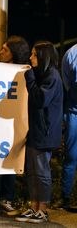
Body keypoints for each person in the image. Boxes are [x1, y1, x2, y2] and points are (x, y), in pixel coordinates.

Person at [15, 41, 63, 223]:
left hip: (45, 133)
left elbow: (39, 99)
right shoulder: (44, 75)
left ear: (43, 56)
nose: (30, 57)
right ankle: (34, 206)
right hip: (36, 131)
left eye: (34, 54)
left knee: (41, 172)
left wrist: (29, 77)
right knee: (33, 172)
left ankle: (43, 209)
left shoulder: (52, 76)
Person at [0, 35, 30, 216]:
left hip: (12, 124)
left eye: (5, 49)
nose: (1, 52)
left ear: (14, 53)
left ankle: (6, 199)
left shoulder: (23, 72)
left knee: (9, 160)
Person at [58, 43, 77, 210]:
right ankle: (65, 197)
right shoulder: (72, 54)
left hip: (73, 111)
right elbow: (68, 85)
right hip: (74, 112)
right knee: (71, 156)